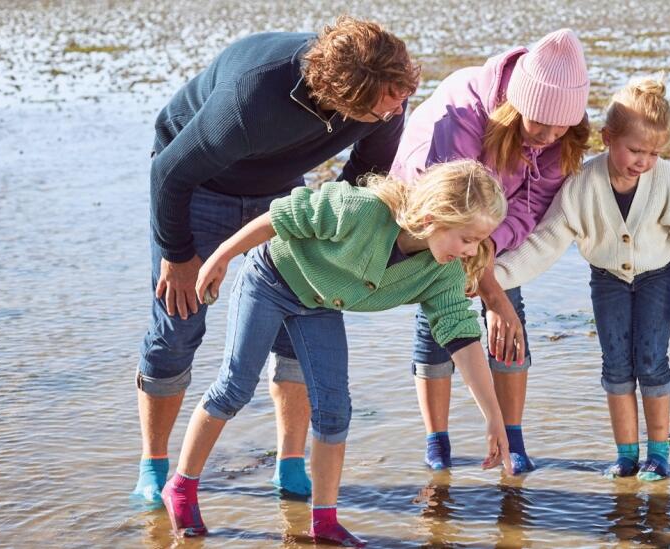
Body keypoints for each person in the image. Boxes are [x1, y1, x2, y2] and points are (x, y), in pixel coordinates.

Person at [133, 16, 418, 506]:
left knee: (301, 308)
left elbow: (364, 176)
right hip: (199, 188)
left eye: (402, 95)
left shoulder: (389, 95)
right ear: (346, 95)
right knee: (178, 326)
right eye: (389, 101)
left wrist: (329, 236)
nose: (398, 108)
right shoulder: (251, 98)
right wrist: (177, 256)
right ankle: (153, 465)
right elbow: (169, 173)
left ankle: (289, 465)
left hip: (280, 193)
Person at [162, 160, 514, 546]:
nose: (472, 251)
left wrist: (493, 417)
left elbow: (462, 337)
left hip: (319, 304)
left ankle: (324, 521)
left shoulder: (444, 272)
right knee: (235, 387)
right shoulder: (362, 209)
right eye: (467, 239)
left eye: (479, 241)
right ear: (433, 218)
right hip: (269, 280)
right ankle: (181, 487)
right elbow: (281, 216)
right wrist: (222, 256)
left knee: (334, 411)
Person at [389, 28, 591, 474]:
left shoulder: (563, 137)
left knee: (510, 311)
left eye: (561, 126)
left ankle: (511, 438)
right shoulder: (465, 112)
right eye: (538, 124)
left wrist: (492, 258)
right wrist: (488, 291)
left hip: (490, 225)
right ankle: (437, 442)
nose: (548, 136)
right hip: (436, 216)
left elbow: (531, 206)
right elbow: (455, 211)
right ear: (515, 107)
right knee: (439, 310)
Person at [494, 76, 670, 481]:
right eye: (636, 150)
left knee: (651, 362)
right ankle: (626, 455)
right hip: (608, 280)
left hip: (657, 278)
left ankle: (658, 454)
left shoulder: (667, 181)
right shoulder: (582, 183)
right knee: (615, 366)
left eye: (654, 152)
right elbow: (545, 241)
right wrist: (494, 276)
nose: (644, 161)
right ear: (608, 138)